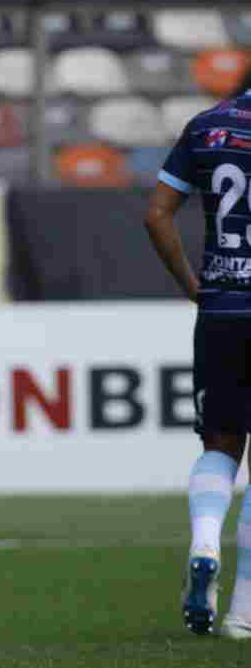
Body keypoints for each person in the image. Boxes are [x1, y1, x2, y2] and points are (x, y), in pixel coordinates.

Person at [146, 83, 251, 639]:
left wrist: (195, 284)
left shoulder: (207, 126)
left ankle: (206, 539)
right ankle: (241, 614)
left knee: (220, 444)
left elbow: (157, 215)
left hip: (222, 309)